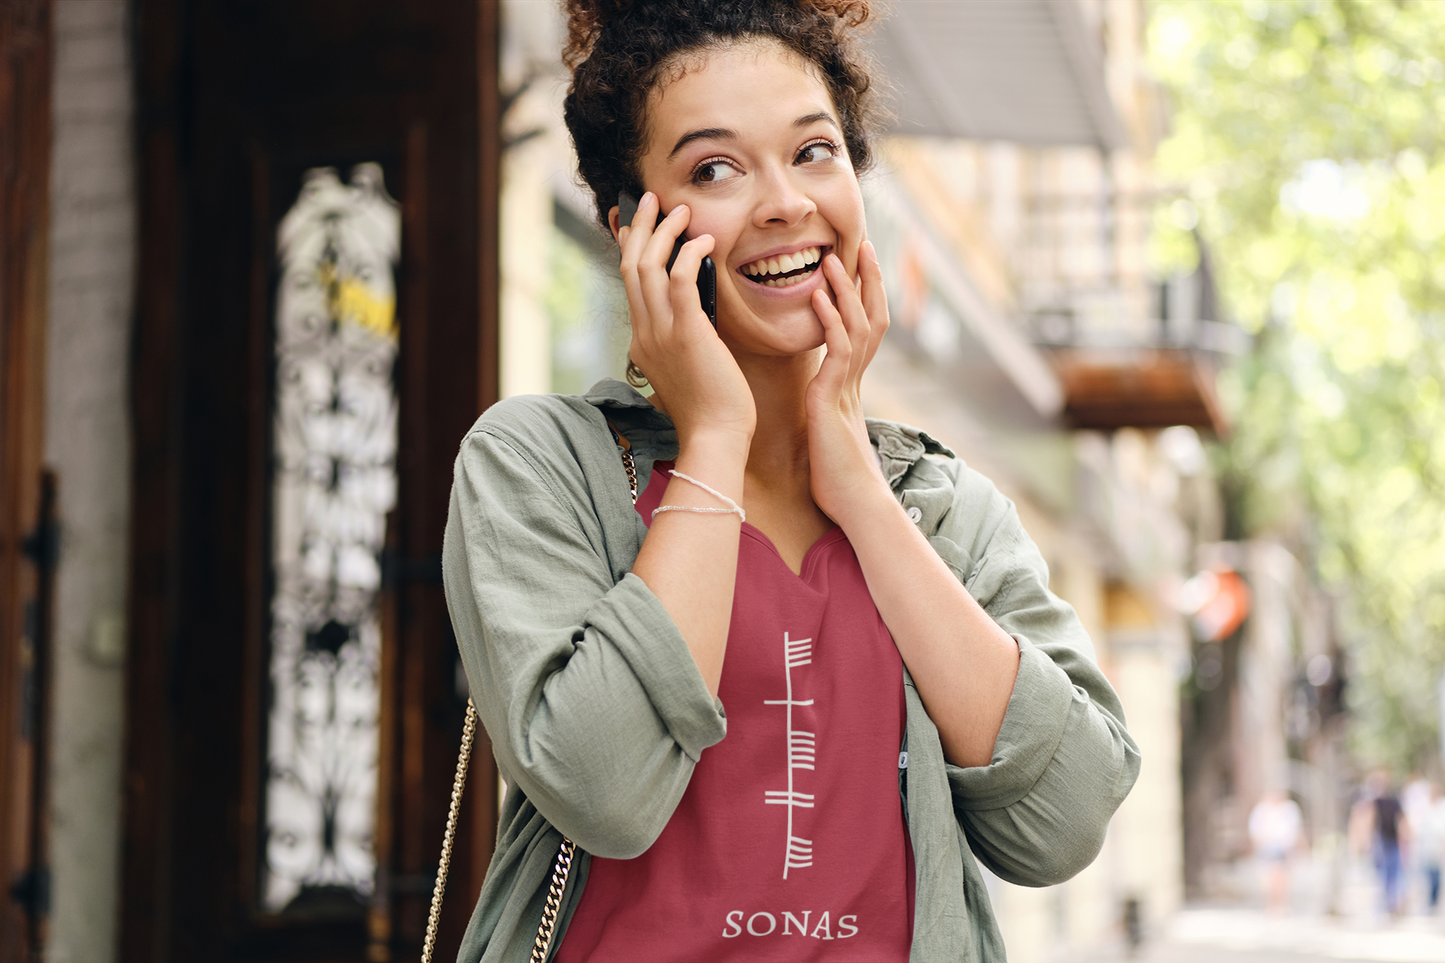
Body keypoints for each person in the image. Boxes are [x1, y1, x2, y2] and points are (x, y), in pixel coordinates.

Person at [441, 2, 1141, 959]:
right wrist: (718, 433)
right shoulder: (538, 464)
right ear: (631, 228)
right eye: (714, 168)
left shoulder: (945, 508)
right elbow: (603, 792)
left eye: (814, 152)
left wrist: (858, 486)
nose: (782, 202)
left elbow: (1061, 823)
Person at [1248, 788, 1304, 915]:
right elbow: (1255, 832)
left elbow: (1296, 829)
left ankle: (1282, 904)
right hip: (1267, 847)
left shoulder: (1289, 809)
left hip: (1285, 848)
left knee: (1284, 878)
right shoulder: (1262, 810)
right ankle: (1271, 905)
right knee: (1268, 878)